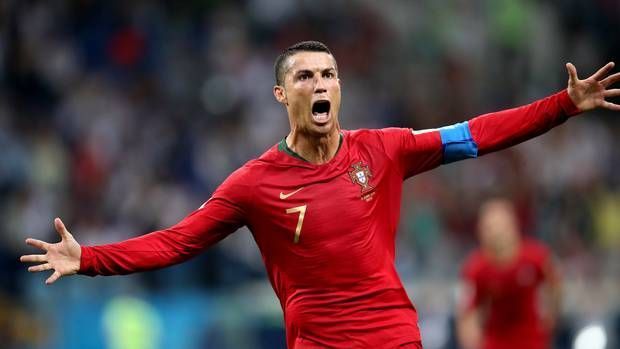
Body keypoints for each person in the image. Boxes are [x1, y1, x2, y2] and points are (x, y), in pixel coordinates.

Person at [20, 41, 619, 348]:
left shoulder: (384, 150)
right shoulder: (253, 183)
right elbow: (178, 242)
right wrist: (89, 258)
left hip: (392, 336)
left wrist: (563, 106)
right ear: (282, 95)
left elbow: (479, 134)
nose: (319, 84)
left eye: (328, 74)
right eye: (304, 76)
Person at [456, 198, 562, 349]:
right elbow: (466, 313)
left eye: (499, 226)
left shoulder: (536, 257)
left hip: (532, 342)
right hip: (496, 343)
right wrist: (471, 341)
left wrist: (551, 316)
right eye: (489, 227)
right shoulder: (475, 269)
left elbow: (555, 283)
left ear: (512, 226)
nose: (495, 233)